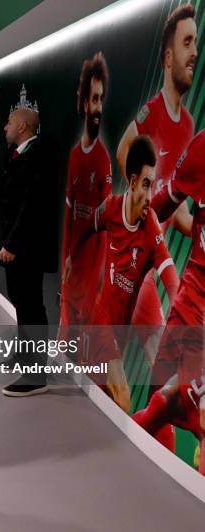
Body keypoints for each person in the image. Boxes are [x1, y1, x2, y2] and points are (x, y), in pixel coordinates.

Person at [65, 135, 179, 413]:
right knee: (123, 397)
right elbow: (88, 227)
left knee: (98, 395)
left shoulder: (150, 225)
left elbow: (169, 273)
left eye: (153, 186)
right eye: (146, 185)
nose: (151, 196)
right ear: (131, 182)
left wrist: (182, 308)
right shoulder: (111, 209)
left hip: (121, 329)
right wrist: (71, 256)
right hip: (102, 321)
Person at [116, 4, 197, 350]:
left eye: (197, 44)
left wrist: (197, 226)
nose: (194, 53)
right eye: (187, 43)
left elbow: (177, 207)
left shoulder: (190, 125)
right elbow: (123, 152)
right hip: (134, 255)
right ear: (167, 58)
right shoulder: (152, 111)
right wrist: (142, 210)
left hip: (155, 262)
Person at [132, 131, 205, 470]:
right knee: (161, 399)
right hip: (191, 308)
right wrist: (133, 224)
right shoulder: (201, 147)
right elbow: (168, 204)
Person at [0, 103, 56, 397]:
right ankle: (25, 355)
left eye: (9, 122)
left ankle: (36, 374)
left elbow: (32, 207)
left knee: (31, 306)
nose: (5, 127)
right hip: (10, 245)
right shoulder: (13, 153)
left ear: (23, 126)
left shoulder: (40, 155)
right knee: (21, 302)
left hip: (26, 248)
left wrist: (12, 244)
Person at [61, 52, 112, 328]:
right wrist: (67, 258)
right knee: (65, 336)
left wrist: (98, 277)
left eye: (101, 99)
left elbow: (104, 229)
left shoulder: (103, 159)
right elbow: (69, 217)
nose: (99, 108)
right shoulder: (74, 156)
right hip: (71, 271)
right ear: (83, 103)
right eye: (94, 99)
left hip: (91, 278)